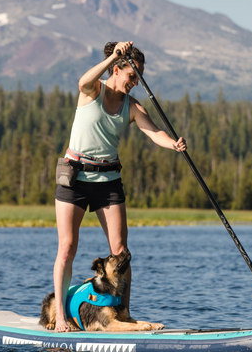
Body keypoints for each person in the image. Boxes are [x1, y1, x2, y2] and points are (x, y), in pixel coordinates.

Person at [53, 41, 187, 332]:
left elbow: (154, 132)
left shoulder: (132, 107)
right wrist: (113, 54)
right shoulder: (93, 91)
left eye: (139, 78)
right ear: (117, 68)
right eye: (132, 75)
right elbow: (82, 81)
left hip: (108, 182)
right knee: (67, 248)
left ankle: (123, 314)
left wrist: (173, 145)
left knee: (121, 251)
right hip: (75, 178)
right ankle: (62, 318)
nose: (135, 82)